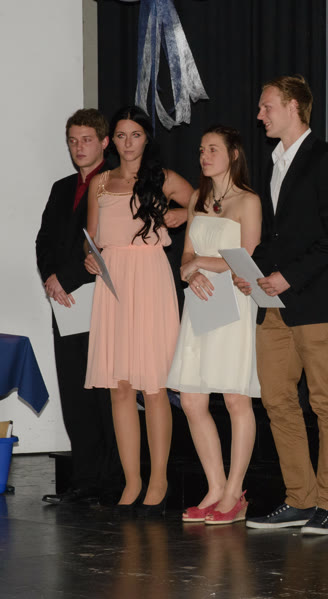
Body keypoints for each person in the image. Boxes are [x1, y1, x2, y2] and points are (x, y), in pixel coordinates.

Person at [238, 75, 328, 535]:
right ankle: (300, 499)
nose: (260, 115)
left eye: (266, 107)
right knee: (277, 400)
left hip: (317, 302)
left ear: (293, 107)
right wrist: (254, 271)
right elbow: (277, 237)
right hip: (275, 303)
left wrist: (289, 275)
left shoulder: (327, 159)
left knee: (326, 401)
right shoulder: (275, 163)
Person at [84, 105, 193, 516]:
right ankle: (132, 481)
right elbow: (91, 237)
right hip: (112, 283)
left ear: (147, 138)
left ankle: (159, 479)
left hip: (149, 278)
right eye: (121, 135)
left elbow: (209, 204)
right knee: (120, 385)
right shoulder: (99, 183)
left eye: (136, 134)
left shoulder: (162, 178)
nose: (128, 143)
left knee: (154, 384)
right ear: (111, 140)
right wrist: (89, 257)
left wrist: (183, 214)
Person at [166, 125, 262, 525]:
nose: (204, 156)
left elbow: (247, 260)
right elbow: (186, 254)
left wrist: (201, 264)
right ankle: (215, 486)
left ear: (233, 154)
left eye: (213, 149)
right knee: (191, 399)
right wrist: (190, 272)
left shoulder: (248, 201)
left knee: (236, 398)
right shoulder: (198, 198)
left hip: (234, 303)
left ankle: (235, 493)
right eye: (201, 150)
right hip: (200, 300)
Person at [35, 108, 121, 506]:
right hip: (65, 302)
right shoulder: (61, 187)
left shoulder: (114, 183)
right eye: (72, 141)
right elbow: (44, 241)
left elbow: (105, 244)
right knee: (75, 390)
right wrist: (51, 278)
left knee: (107, 393)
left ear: (104, 142)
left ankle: (114, 481)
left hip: (99, 297)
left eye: (86, 140)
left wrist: (66, 278)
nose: (78, 147)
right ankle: (85, 480)